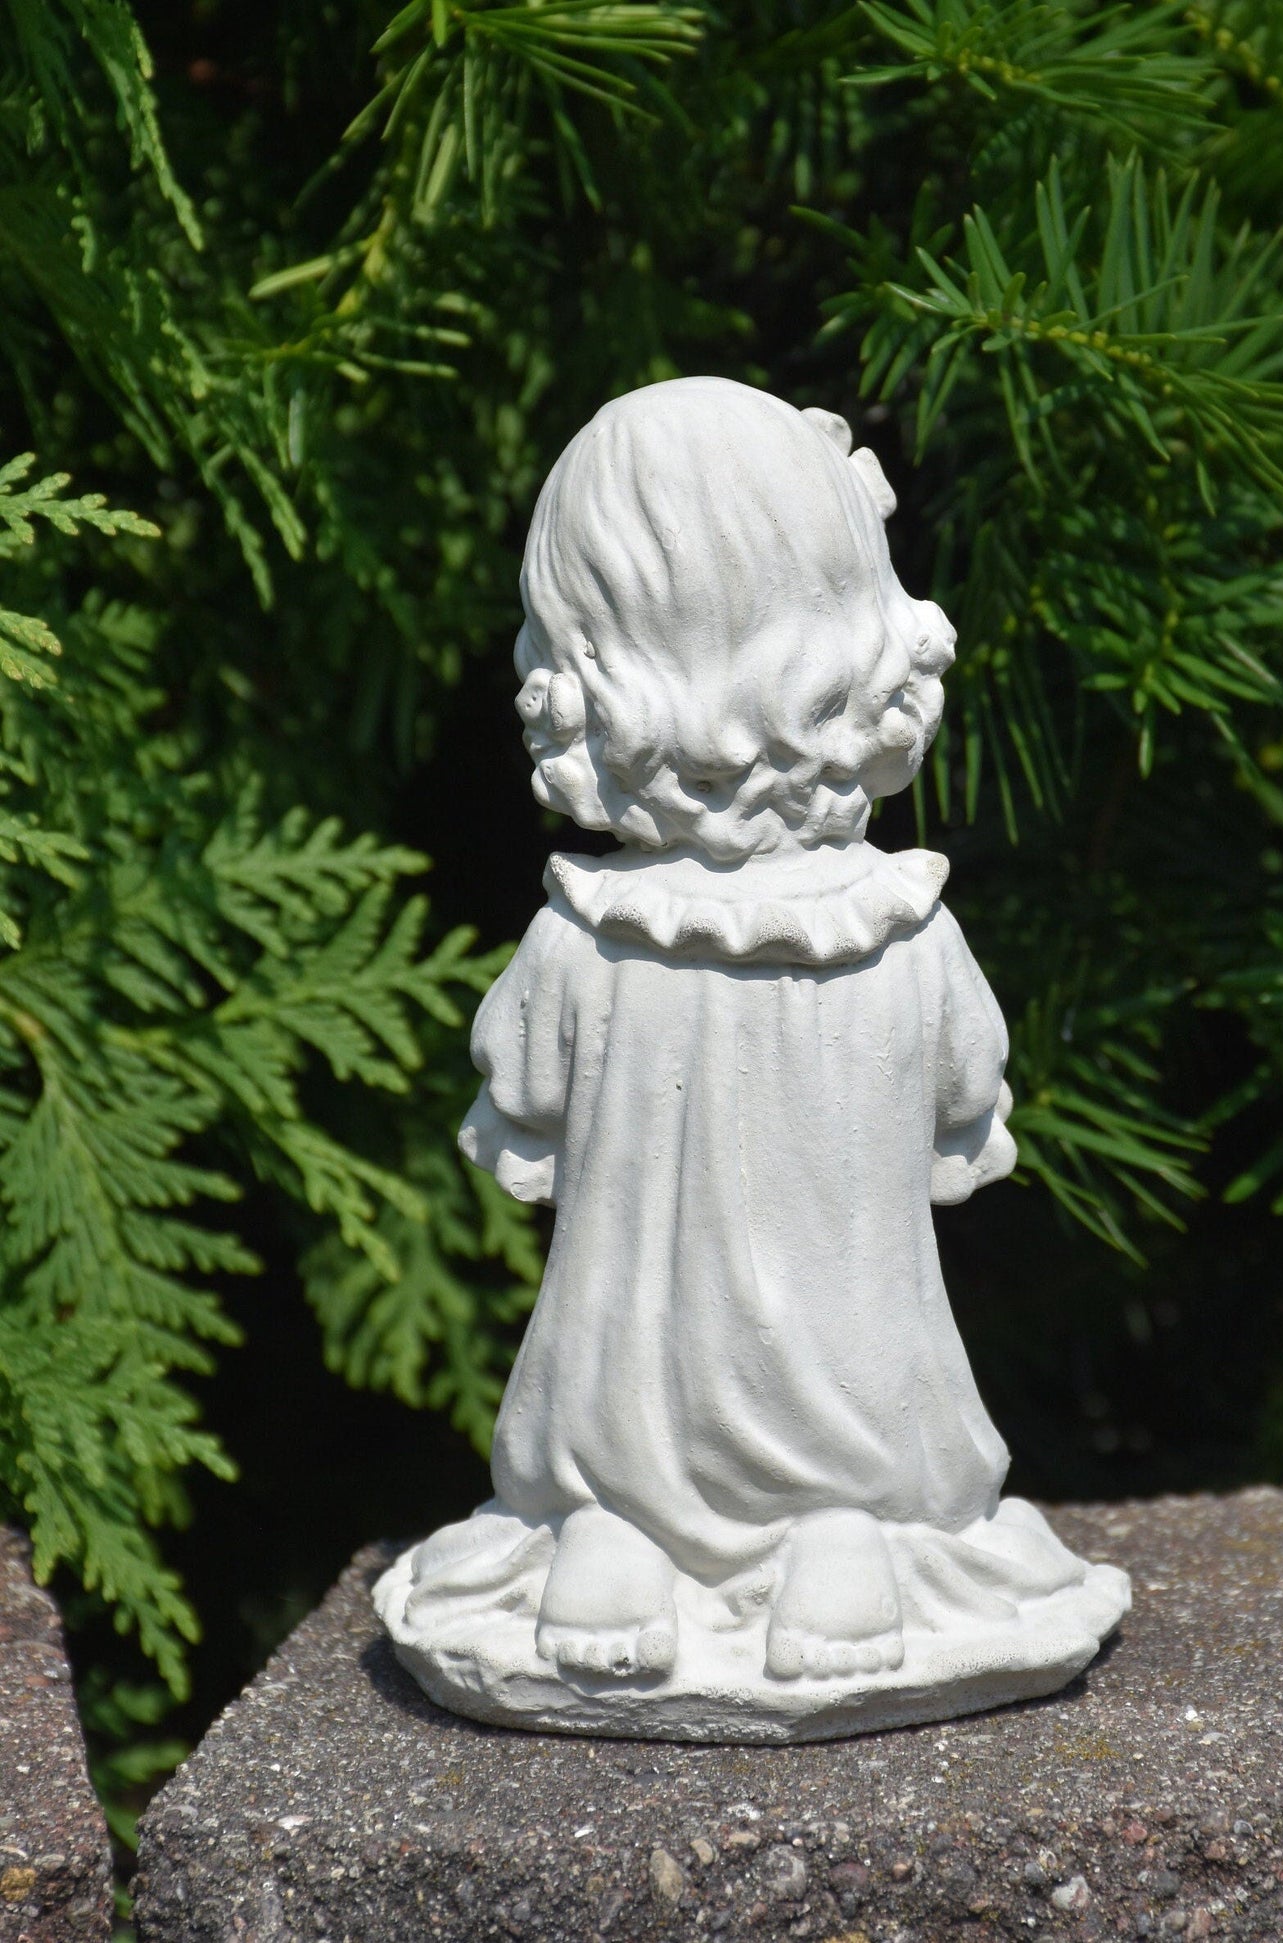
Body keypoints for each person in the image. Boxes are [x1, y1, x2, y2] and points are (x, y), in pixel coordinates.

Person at [375, 379, 1127, 1731]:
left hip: (625, 1379)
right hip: (860, 1371)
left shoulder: (586, 944)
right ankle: (842, 1529)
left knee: (611, 1373)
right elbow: (964, 1109)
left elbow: (522, 1114)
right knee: (863, 1374)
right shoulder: (902, 938)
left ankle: (613, 1526)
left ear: (594, 681)